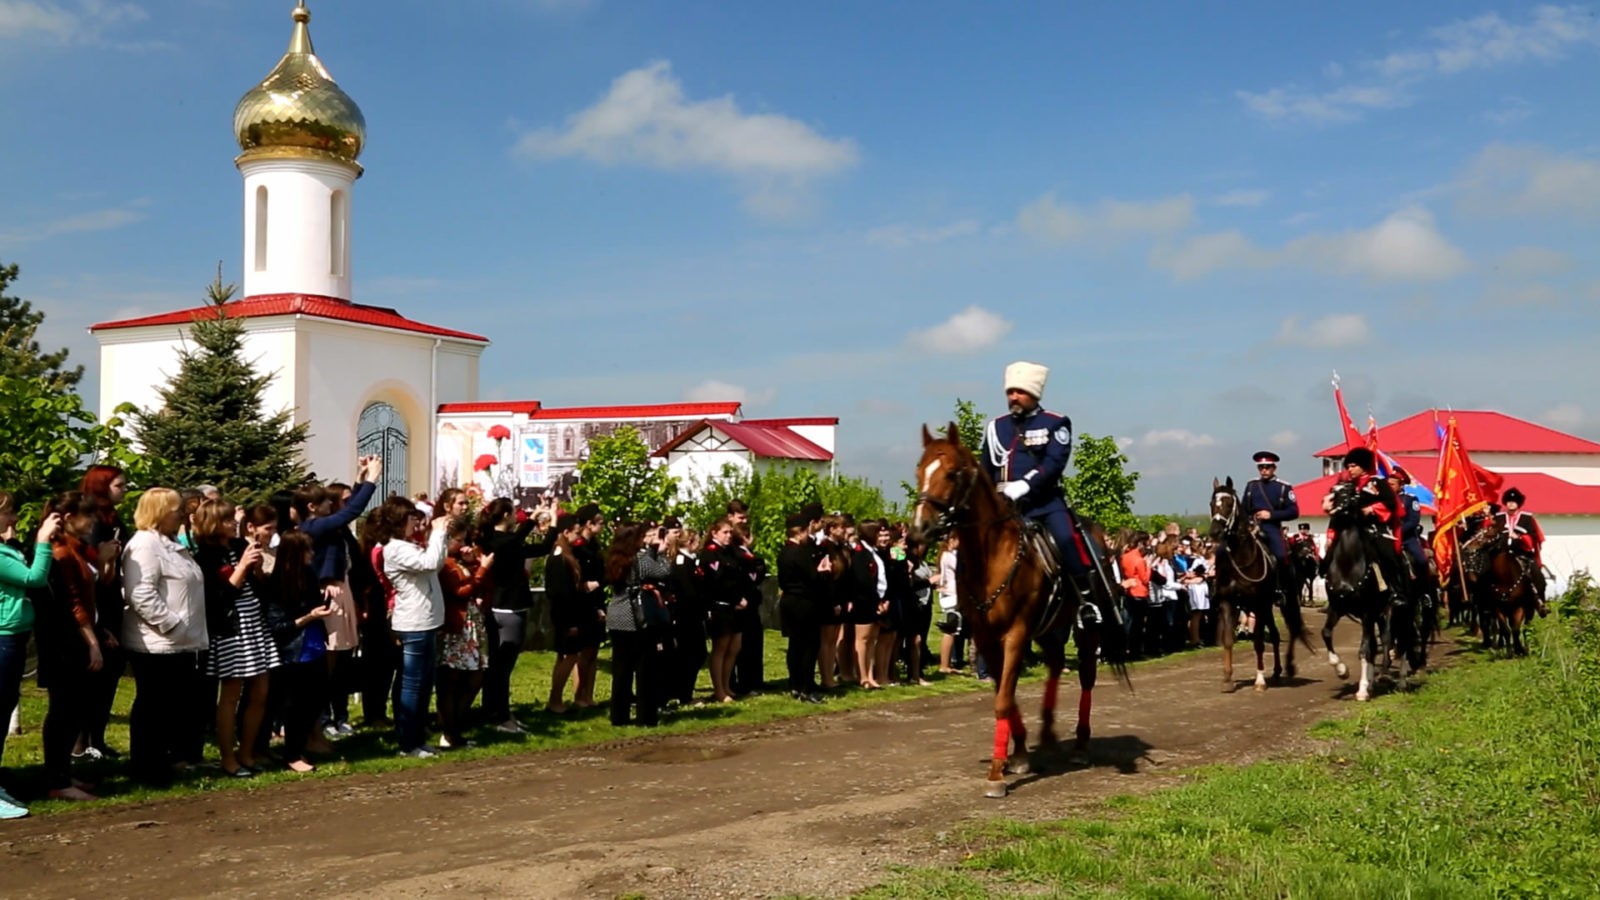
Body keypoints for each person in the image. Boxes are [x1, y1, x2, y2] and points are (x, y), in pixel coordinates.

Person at [978, 361, 1095, 607]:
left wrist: (1025, 484)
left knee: (1066, 539)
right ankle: (960, 609)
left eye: (1019, 392)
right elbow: (986, 469)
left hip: (1043, 503)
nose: (1014, 397)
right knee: (967, 544)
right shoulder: (995, 427)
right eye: (1010, 392)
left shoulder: (1055, 423)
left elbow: (1054, 462)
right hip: (1003, 507)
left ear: (1033, 394)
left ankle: (1086, 601)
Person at [121, 487, 209, 786]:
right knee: (152, 707)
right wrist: (172, 625)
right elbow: (140, 593)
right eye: (175, 510)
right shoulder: (145, 545)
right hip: (157, 643)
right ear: (159, 512)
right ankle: (146, 769)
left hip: (179, 643)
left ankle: (162, 763)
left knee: (168, 707)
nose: (181, 514)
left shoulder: (168, 543)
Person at [194, 498, 280, 778]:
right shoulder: (205, 556)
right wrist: (242, 567)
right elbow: (219, 599)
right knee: (231, 695)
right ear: (214, 523)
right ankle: (228, 758)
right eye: (229, 519)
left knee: (262, 692)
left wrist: (255, 568)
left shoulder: (240, 546)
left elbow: (258, 587)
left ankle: (247, 752)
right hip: (230, 628)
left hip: (255, 623)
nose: (235, 523)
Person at [36, 492, 103, 802]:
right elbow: (74, 603)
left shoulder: (78, 551)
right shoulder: (62, 553)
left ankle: (62, 773)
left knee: (73, 712)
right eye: (86, 516)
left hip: (74, 640)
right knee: (63, 713)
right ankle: (58, 780)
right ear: (68, 519)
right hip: (65, 644)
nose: (92, 522)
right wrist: (92, 643)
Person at [0, 493, 62, 818]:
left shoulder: (3, 549)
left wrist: (11, 540)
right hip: (3, 640)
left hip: (13, 638)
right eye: (7, 513)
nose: (12, 518)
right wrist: (42, 541)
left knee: (5, 704)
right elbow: (33, 578)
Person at [382, 500, 449, 758]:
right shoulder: (395, 549)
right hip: (414, 622)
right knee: (412, 684)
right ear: (400, 522)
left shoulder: (408, 546)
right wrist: (438, 532)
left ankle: (418, 738)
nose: (417, 524)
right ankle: (408, 743)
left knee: (424, 684)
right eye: (412, 519)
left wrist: (438, 537)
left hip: (427, 620)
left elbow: (436, 562)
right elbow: (430, 563)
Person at [476, 497, 544, 734]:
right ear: (506, 515)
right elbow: (515, 541)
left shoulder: (497, 540)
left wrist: (544, 524)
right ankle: (501, 716)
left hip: (502, 606)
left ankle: (495, 712)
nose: (516, 517)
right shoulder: (500, 541)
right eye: (513, 513)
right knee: (502, 667)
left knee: (497, 666)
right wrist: (540, 521)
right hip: (508, 607)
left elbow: (534, 546)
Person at [77, 464, 128, 762]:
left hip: (110, 603)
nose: (124, 490)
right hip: (98, 607)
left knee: (109, 677)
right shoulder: (93, 522)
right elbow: (95, 574)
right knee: (94, 679)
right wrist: (107, 561)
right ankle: (82, 742)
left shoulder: (112, 518)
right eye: (119, 485)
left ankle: (97, 737)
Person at [605, 523, 671, 726]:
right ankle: (646, 716)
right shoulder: (640, 559)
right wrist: (658, 552)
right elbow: (663, 572)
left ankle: (619, 715)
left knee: (621, 670)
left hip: (616, 616)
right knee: (644, 669)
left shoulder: (612, 559)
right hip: (636, 618)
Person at [436, 518, 491, 750]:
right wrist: (481, 569)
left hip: (469, 624)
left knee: (475, 676)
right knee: (453, 679)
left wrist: (473, 564)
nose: (462, 544)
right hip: (456, 626)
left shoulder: (459, 562)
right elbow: (459, 591)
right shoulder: (445, 564)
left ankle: (456, 726)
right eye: (458, 540)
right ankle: (449, 731)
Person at [1322, 447, 1403, 599]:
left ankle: (1397, 591)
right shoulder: (1347, 486)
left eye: (1353, 466)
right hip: (1351, 528)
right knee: (1331, 554)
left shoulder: (1377, 482)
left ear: (1363, 466)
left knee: (1387, 554)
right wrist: (1330, 535)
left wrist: (1372, 508)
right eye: (1348, 466)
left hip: (1373, 528)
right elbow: (1339, 512)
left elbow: (1391, 503)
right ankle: (1331, 589)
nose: (1350, 470)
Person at [777, 512, 829, 703]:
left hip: (789, 600)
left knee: (795, 645)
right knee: (809, 646)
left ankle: (795, 684)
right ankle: (807, 687)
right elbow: (813, 578)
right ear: (801, 531)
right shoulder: (799, 552)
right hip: (804, 603)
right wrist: (824, 571)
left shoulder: (784, 552)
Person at [544, 513, 591, 713]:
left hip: (568, 614)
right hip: (565, 616)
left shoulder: (565, 555)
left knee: (567, 656)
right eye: (575, 532)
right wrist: (569, 622)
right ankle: (555, 699)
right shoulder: (559, 559)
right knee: (569, 656)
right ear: (565, 532)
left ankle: (556, 699)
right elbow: (560, 593)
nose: (578, 536)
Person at [1240, 450, 1299, 603]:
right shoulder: (1251, 486)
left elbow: (1293, 511)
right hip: (1251, 527)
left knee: (1280, 556)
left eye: (1267, 467)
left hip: (1271, 527)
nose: (1264, 470)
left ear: (1274, 468)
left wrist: (1271, 515)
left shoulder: (1283, 487)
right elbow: (1244, 509)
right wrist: (1249, 522)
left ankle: (1280, 589)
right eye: (1261, 467)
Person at [1497, 487, 1548, 614]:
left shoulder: (1527, 518)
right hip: (1501, 553)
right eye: (1508, 501)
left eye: (1513, 501)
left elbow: (1534, 536)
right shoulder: (1499, 518)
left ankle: (1540, 603)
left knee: (1537, 576)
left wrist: (1520, 537)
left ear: (1518, 503)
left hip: (1521, 554)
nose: (1511, 503)